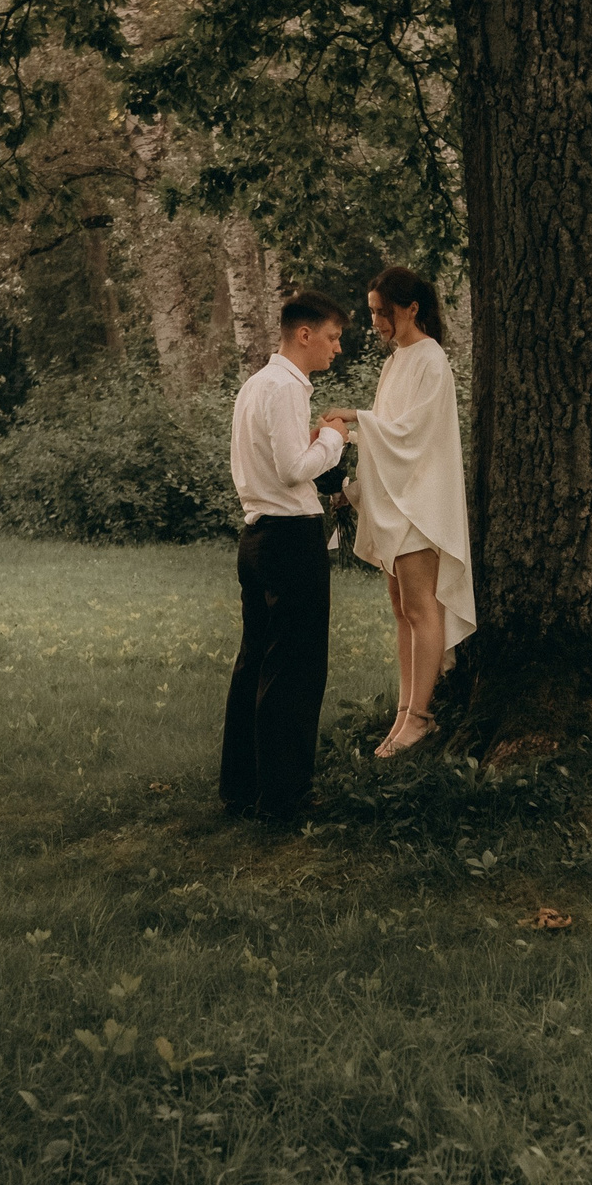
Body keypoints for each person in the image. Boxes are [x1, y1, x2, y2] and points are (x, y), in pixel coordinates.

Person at [322, 265, 475, 757]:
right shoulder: (395, 364)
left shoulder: (431, 360)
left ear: (412, 309)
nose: (377, 324)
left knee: (420, 606)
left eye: (383, 313)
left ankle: (421, 717)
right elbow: (385, 436)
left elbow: (411, 436)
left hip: (421, 505)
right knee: (401, 610)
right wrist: (351, 481)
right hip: (393, 500)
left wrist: (356, 417)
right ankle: (404, 712)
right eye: (372, 314)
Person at [220, 290, 349, 823]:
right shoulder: (287, 387)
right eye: (333, 337)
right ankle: (284, 796)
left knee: (256, 663)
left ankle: (243, 788)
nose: (337, 349)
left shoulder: (256, 385)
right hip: (291, 539)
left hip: (257, 538)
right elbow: (297, 468)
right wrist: (335, 439)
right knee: (295, 670)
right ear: (305, 334)